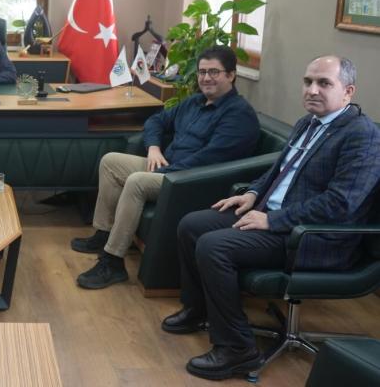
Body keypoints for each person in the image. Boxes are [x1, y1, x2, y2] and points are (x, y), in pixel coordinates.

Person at [162, 55, 380, 381]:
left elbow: (340, 204)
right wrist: (252, 193)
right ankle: (198, 310)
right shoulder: (308, 123)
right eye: (308, 81)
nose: (312, 90)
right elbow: (280, 170)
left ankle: (237, 349)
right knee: (192, 225)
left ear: (348, 91)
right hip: (275, 216)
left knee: (213, 246)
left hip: (313, 236)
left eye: (324, 83)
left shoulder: (361, 136)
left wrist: (272, 221)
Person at [71, 45, 260, 289]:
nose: (206, 78)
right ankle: (104, 233)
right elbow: (156, 121)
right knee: (111, 162)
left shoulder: (238, 115)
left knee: (137, 181)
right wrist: (153, 148)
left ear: (231, 75)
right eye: (202, 72)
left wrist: (163, 172)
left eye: (214, 72)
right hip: (168, 166)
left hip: (190, 179)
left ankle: (113, 262)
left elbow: (210, 160)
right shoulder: (194, 102)